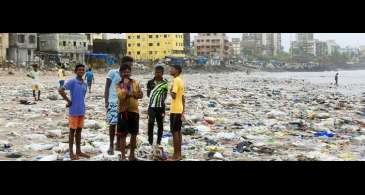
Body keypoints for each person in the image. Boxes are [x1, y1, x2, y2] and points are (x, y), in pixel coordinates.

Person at [58, 64, 90, 160]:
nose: (81, 71)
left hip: (81, 110)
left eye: (82, 70)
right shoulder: (72, 81)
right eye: (79, 70)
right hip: (74, 111)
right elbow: (60, 90)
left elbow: (82, 97)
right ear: (75, 71)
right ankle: (71, 153)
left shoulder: (84, 84)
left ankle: (79, 151)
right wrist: (68, 101)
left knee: (79, 131)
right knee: (72, 132)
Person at [104, 56, 134, 155]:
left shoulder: (127, 77)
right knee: (112, 124)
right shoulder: (112, 72)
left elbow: (129, 92)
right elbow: (107, 87)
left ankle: (118, 145)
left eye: (130, 65)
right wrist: (106, 101)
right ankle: (111, 145)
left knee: (121, 125)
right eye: (128, 64)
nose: (129, 67)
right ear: (122, 63)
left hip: (123, 104)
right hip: (113, 102)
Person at [116, 63, 143, 161]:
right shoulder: (119, 84)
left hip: (135, 112)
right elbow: (121, 96)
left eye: (128, 72)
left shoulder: (135, 82)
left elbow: (141, 94)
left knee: (134, 134)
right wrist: (127, 89)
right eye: (124, 72)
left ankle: (132, 155)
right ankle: (123, 156)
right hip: (124, 112)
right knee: (123, 135)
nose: (126, 73)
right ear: (121, 73)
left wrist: (132, 93)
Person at [147, 66, 168, 146]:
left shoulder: (165, 83)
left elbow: (165, 95)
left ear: (162, 73)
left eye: (159, 72)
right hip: (151, 107)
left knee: (160, 125)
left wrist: (159, 100)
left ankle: (158, 142)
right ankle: (150, 141)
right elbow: (148, 95)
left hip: (161, 107)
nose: (157, 74)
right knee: (150, 123)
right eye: (156, 72)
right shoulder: (150, 82)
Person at [168, 64, 185, 161]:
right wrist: (183, 111)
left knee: (174, 132)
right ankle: (179, 154)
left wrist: (170, 90)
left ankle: (176, 155)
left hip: (175, 110)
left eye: (172, 69)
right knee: (178, 132)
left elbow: (174, 95)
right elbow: (183, 98)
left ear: (177, 71)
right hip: (179, 109)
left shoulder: (175, 80)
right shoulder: (181, 81)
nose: (170, 70)